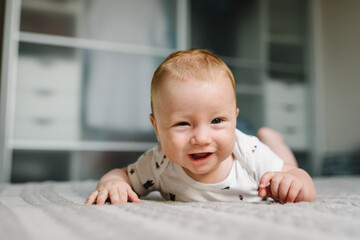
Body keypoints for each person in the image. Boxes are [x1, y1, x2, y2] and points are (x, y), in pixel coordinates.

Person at [86, 49, 316, 205]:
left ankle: (275, 141)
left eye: (217, 121)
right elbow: (122, 174)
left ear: (234, 120)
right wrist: (113, 183)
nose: (202, 138)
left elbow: (303, 182)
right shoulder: (159, 162)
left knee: (284, 165)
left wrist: (293, 181)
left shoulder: (248, 153)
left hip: (265, 157)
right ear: (157, 128)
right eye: (183, 124)